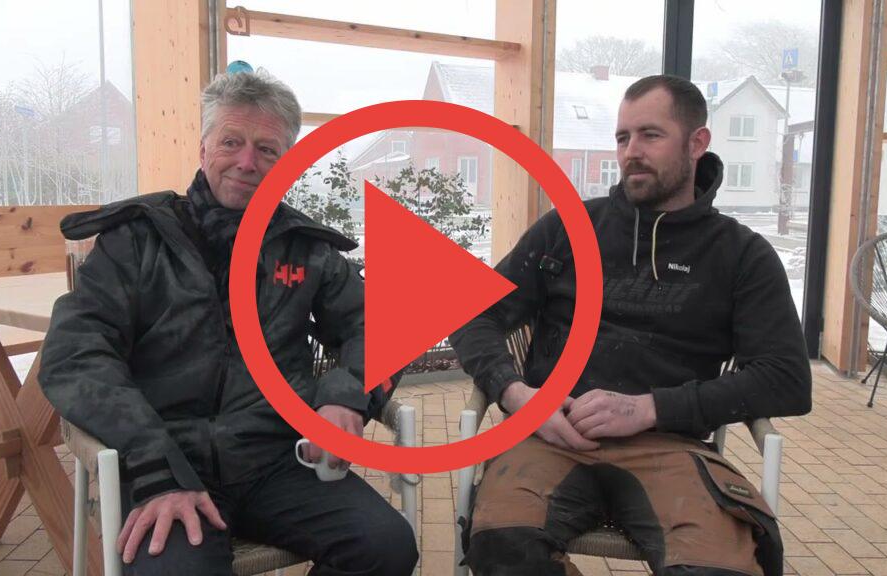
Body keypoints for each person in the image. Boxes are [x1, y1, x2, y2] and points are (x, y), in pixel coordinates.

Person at [40, 70, 417, 576]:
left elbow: (381, 327)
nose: (247, 162)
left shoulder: (306, 249)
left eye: (267, 150)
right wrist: (156, 466)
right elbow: (76, 355)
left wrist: (346, 396)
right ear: (203, 150)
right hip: (168, 461)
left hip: (278, 460)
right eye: (231, 142)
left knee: (386, 546)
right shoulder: (135, 240)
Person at [450, 75, 812, 576]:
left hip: (672, 444)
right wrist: (517, 394)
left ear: (697, 143)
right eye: (623, 138)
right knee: (501, 548)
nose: (631, 152)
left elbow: (786, 378)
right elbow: (474, 313)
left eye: (650, 135)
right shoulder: (568, 229)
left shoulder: (741, 255)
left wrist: (650, 407)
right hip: (552, 438)